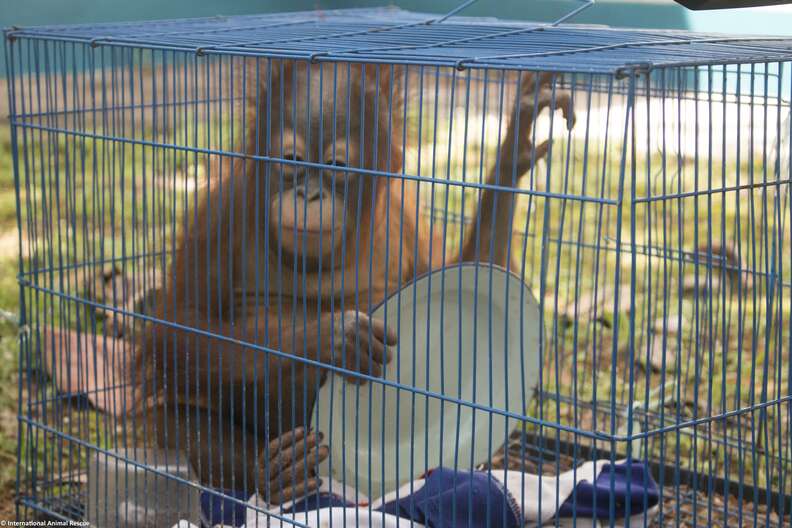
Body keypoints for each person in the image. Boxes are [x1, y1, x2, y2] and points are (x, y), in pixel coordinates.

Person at [178, 427, 660, 528]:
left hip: (380, 479)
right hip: (301, 477)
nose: (310, 196)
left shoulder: (395, 232)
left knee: (481, 494)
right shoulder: (229, 230)